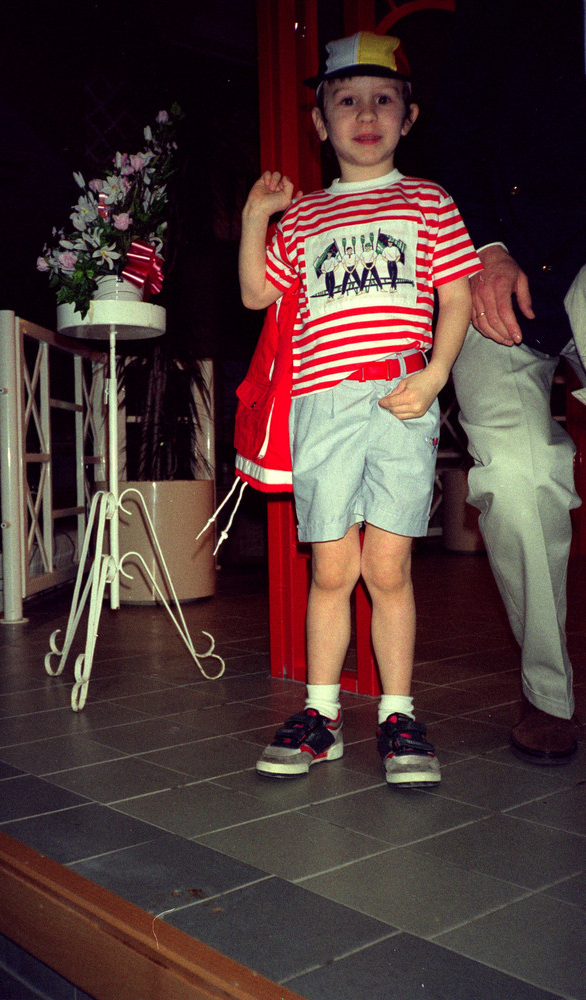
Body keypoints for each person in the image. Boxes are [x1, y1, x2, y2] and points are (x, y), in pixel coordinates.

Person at [239, 30, 481, 785]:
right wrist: (255, 217)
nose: (365, 114)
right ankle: (321, 715)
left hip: (401, 399)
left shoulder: (429, 201)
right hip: (322, 405)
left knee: (389, 566)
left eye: (383, 99)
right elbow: (256, 293)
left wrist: (435, 376)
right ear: (321, 122)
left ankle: (397, 715)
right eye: (346, 100)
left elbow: (455, 297)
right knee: (331, 568)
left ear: (409, 117)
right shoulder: (305, 216)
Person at [426, 0, 586, 763]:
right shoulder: (491, 18)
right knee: (518, 476)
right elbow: (448, 138)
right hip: (494, 267)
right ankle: (546, 689)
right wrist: (483, 248)